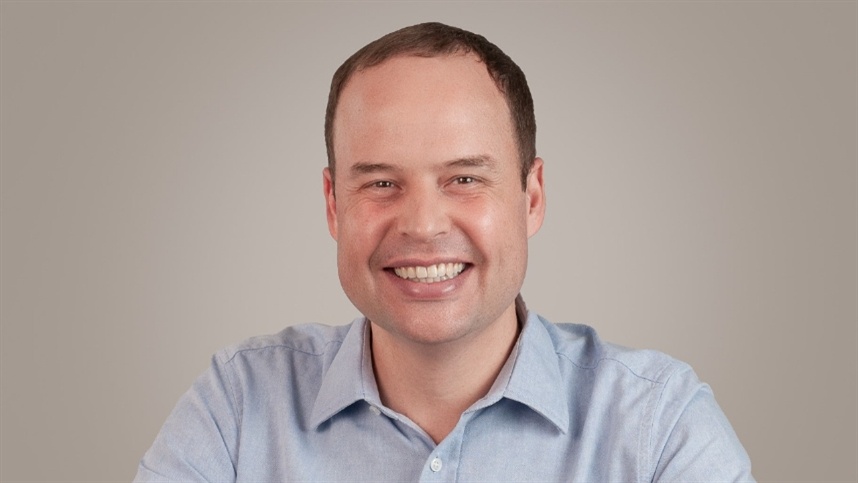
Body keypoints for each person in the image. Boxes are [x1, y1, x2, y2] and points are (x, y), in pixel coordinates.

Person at [135, 22, 753, 482]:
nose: (424, 225)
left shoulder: (659, 426)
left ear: (532, 197)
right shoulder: (238, 407)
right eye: (381, 183)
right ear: (333, 205)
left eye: (464, 178)